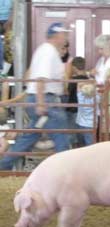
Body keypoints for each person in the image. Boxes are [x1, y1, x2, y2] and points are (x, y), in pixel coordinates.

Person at [0, 22, 70, 170]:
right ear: (56, 35)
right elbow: (40, 78)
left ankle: (3, 166)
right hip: (45, 99)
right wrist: (40, 103)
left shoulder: (48, 51)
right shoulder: (48, 52)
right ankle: (65, 171)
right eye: (64, 34)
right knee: (61, 133)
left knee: (29, 137)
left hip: (41, 98)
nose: (66, 37)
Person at [67, 56, 89, 147]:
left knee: (73, 135)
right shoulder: (88, 80)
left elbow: (67, 90)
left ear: (74, 68)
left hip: (73, 109)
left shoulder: (73, 80)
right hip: (84, 110)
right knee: (83, 135)